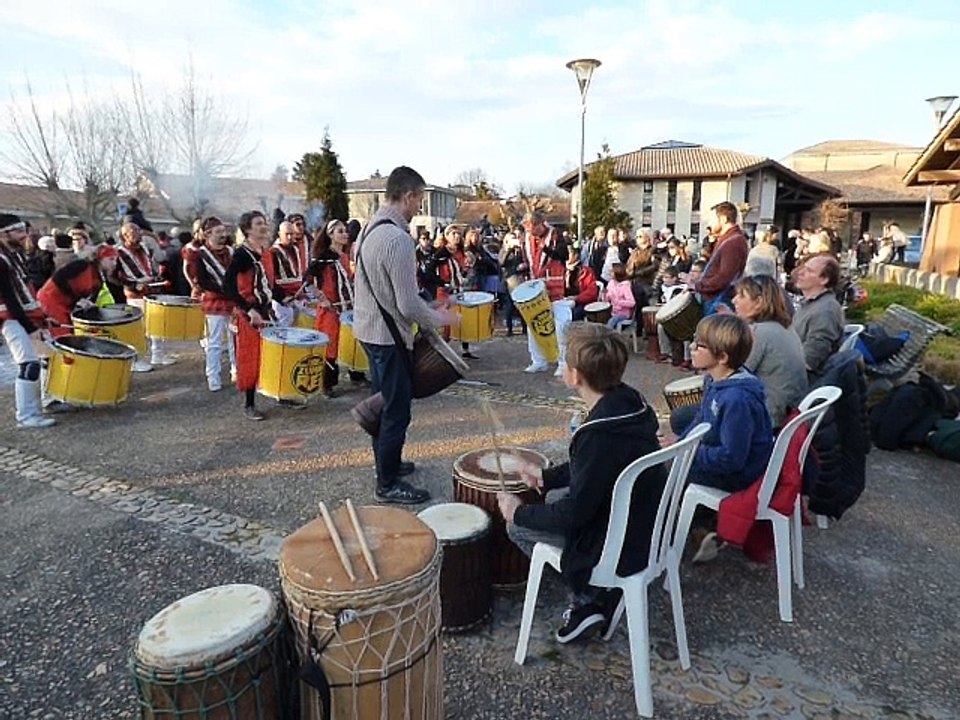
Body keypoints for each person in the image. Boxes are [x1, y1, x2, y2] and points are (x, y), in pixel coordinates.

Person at [498, 322, 664, 641]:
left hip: (620, 544)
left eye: (564, 362)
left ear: (576, 376)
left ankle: (590, 598)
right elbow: (592, 469)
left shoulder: (598, 435)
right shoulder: (632, 403)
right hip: (645, 521)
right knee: (552, 496)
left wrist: (516, 511)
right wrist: (545, 477)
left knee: (516, 527)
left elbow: (576, 513)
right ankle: (593, 593)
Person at [353, 166, 458, 505]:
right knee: (396, 409)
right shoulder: (397, 239)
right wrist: (438, 317)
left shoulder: (368, 229)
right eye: (419, 200)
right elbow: (407, 304)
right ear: (409, 195)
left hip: (370, 331)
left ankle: (389, 464)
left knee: (383, 401)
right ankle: (387, 483)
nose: (419, 209)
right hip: (387, 337)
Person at [676, 314, 774, 562]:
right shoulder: (716, 379)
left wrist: (690, 453)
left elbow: (733, 458)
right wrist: (681, 444)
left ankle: (702, 527)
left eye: (700, 345)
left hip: (742, 474)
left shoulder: (736, 400)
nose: (692, 347)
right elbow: (701, 418)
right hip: (733, 458)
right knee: (681, 425)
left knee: (670, 474)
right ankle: (701, 521)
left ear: (722, 357)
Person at [0, 214, 56, 428]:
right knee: (29, 364)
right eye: (19, 231)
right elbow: (10, 298)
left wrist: (40, 315)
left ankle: (49, 399)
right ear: (3, 234)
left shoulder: (13, 256)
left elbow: (26, 292)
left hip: (23, 317)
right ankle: (27, 416)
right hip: (11, 320)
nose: (25, 235)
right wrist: (30, 327)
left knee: (48, 357)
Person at [731, 275, 808, 428]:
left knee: (683, 417)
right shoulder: (784, 327)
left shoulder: (759, 332)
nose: (734, 300)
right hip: (790, 411)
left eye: (741, 296)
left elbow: (734, 376)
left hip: (771, 418)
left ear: (759, 302)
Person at [224, 211, 275, 420]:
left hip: (266, 310)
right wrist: (248, 309)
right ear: (247, 229)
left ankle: (279, 392)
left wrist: (286, 298)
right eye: (258, 224)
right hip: (249, 314)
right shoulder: (242, 254)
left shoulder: (266, 252)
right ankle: (249, 404)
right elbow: (227, 286)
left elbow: (269, 283)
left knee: (271, 355)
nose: (263, 226)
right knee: (250, 358)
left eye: (264, 222)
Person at [304, 219, 355, 397]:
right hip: (330, 311)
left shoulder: (345, 256)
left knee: (346, 343)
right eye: (340, 231)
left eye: (345, 231)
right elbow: (308, 281)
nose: (345, 234)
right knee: (329, 346)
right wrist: (322, 298)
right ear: (330, 235)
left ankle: (355, 373)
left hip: (346, 309)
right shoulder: (324, 256)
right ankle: (327, 384)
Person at [116, 219, 173, 365]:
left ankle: (158, 355)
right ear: (125, 236)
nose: (138, 233)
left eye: (138, 230)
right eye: (133, 231)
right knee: (139, 327)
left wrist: (156, 276)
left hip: (151, 289)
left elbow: (151, 264)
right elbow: (116, 276)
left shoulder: (145, 248)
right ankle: (138, 359)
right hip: (135, 294)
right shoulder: (118, 252)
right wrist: (134, 285)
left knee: (157, 323)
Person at [194, 216, 237, 393]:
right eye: (218, 232)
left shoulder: (232, 252)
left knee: (235, 339)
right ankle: (213, 376)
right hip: (214, 303)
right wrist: (223, 290)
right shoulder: (200, 255)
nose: (223, 235)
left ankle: (237, 370)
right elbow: (202, 281)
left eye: (223, 231)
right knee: (214, 342)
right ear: (207, 234)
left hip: (233, 302)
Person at [37, 244, 117, 337]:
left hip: (67, 305)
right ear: (100, 258)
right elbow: (58, 279)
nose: (114, 263)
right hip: (51, 299)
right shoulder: (81, 265)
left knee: (72, 331)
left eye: (115, 260)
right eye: (110, 259)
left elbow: (91, 298)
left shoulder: (99, 278)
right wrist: (76, 298)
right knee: (63, 334)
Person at [790, 254, 844, 378]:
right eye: (803, 268)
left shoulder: (826, 310)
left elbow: (810, 359)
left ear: (824, 279)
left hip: (801, 381)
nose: (801, 273)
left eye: (809, 270)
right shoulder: (811, 305)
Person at [695, 201, 748, 315]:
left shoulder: (733, 242)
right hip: (715, 299)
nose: (709, 224)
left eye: (712, 219)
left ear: (723, 219)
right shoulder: (728, 239)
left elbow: (724, 278)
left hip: (719, 302)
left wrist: (698, 285)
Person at [264, 220, 306, 327]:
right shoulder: (273, 252)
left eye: (292, 234)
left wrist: (302, 289)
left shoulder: (296, 249)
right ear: (279, 234)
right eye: (286, 234)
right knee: (284, 329)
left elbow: (298, 273)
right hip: (282, 299)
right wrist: (281, 297)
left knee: (298, 328)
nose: (289, 237)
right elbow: (270, 279)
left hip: (298, 296)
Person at [604, 263, 635, 330]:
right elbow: (607, 298)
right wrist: (607, 296)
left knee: (611, 321)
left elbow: (632, 303)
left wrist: (619, 302)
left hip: (623, 313)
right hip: (613, 311)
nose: (610, 273)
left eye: (612, 272)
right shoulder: (611, 283)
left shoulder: (625, 286)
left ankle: (607, 336)